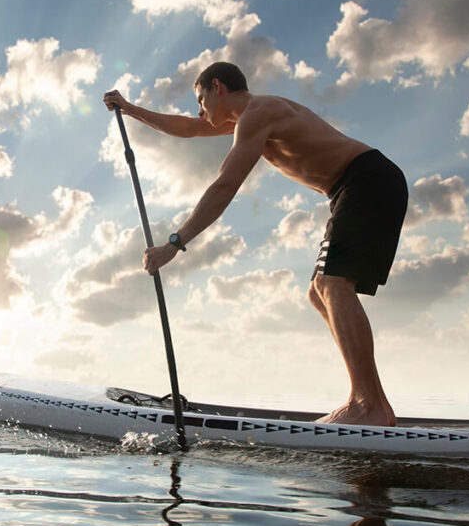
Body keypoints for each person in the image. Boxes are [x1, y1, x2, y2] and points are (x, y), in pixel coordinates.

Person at [103, 62, 407, 427]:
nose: (200, 110)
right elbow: (188, 127)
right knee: (318, 291)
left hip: (367, 181)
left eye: (201, 99)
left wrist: (174, 244)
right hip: (351, 188)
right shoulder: (250, 118)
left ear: (218, 87)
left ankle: (366, 404)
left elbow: (224, 186)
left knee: (332, 284)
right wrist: (131, 109)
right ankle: (374, 405)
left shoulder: (259, 113)